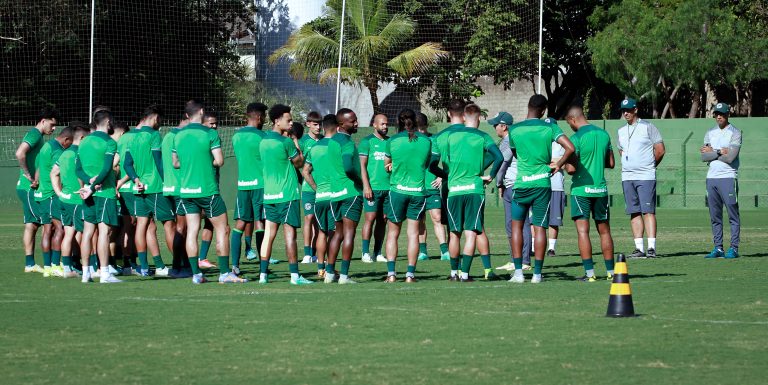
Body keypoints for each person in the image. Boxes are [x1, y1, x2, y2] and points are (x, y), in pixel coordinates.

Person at [173, 100, 244, 284]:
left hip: (187, 191)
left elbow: (176, 163)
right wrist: (205, 162)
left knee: (192, 232)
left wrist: (191, 163)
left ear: (187, 116)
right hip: (207, 190)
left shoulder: (177, 136)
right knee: (223, 229)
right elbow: (219, 161)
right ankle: (225, 273)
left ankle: (196, 275)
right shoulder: (210, 133)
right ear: (202, 112)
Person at [507, 95, 575, 284]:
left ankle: (519, 273)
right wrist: (558, 164)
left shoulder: (515, 129)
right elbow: (570, 147)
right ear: (544, 111)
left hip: (521, 184)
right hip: (542, 184)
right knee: (540, 228)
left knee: (517, 227)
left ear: (528, 107)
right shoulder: (550, 127)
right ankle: (537, 274)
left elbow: (516, 154)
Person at [432, 103, 503, 282]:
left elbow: (432, 163)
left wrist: (445, 175)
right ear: (479, 118)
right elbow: (499, 157)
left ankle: (453, 273)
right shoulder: (483, 136)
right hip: (474, 190)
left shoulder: (450, 136)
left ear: (464, 118)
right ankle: (465, 274)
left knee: (454, 233)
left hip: (453, 191)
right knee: (472, 232)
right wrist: (490, 176)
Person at [383, 109, 445, 282]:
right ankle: (410, 275)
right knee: (413, 234)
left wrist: (392, 166)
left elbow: (386, 165)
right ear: (417, 123)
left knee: (393, 234)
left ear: (398, 122)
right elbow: (425, 165)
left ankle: (391, 274)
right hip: (418, 192)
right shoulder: (426, 141)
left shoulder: (392, 141)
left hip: (397, 192)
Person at [257, 104, 313, 285]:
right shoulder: (286, 142)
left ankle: (263, 275)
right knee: (290, 236)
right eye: (288, 120)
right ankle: (295, 276)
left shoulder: (263, 141)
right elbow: (299, 163)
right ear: (277, 121)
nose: (291, 123)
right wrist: (295, 142)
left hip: (269, 195)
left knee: (268, 235)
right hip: (287, 196)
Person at [563, 106, 616, 281]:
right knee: (605, 231)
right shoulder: (604, 134)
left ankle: (590, 274)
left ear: (572, 120)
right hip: (600, 189)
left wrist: (563, 164)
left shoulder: (576, 138)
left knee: (583, 232)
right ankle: (611, 273)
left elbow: (570, 170)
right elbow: (610, 163)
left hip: (581, 191)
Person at [123, 105, 173, 277]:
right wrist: (168, 182)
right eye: (160, 120)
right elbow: (159, 163)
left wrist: (136, 180)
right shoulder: (154, 136)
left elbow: (126, 165)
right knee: (169, 225)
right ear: (155, 118)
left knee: (142, 226)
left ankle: (145, 267)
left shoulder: (132, 138)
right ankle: (180, 265)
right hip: (156, 188)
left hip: (139, 189)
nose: (161, 123)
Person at [76, 109, 122, 283]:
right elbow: (107, 168)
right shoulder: (110, 142)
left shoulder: (84, 142)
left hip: (88, 192)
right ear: (108, 122)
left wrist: (89, 183)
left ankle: (86, 273)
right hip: (104, 193)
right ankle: (104, 274)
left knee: (88, 233)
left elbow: (77, 169)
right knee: (104, 232)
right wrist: (94, 186)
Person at [617, 98, 665, 258]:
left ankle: (651, 248)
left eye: (628, 110)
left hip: (646, 176)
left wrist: (650, 165)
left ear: (635, 110)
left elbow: (660, 150)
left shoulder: (648, 127)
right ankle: (639, 248)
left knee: (648, 211)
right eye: (623, 110)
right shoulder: (621, 131)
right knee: (634, 212)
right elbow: (621, 151)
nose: (626, 113)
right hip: (627, 176)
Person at [321, 109, 364, 283]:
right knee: (349, 234)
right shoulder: (346, 142)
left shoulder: (331, 142)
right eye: (352, 121)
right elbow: (348, 166)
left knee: (337, 234)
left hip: (335, 194)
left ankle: (329, 273)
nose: (356, 123)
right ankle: (344, 276)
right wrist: (359, 181)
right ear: (341, 124)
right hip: (350, 193)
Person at [16, 107, 59, 273]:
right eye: (52, 124)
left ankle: (30, 264)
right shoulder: (34, 134)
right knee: (44, 224)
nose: (54, 128)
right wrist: (28, 175)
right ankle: (41, 264)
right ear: (43, 121)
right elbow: (20, 153)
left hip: (28, 188)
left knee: (32, 224)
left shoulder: (39, 138)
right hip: (28, 188)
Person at [490, 111, 533, 272]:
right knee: (518, 223)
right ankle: (517, 259)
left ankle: (522, 260)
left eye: (496, 125)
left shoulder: (508, 141)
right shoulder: (513, 139)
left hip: (513, 185)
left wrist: (498, 182)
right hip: (518, 184)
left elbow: (502, 163)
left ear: (504, 126)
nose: (494, 128)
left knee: (517, 224)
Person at [230, 103, 269, 273]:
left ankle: (235, 266)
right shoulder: (264, 136)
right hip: (261, 185)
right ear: (259, 117)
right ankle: (263, 266)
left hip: (243, 185)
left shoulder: (236, 136)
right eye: (265, 117)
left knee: (240, 223)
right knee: (260, 222)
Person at [302, 114, 342, 281]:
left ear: (323, 127)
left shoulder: (315, 148)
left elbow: (305, 171)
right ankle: (331, 269)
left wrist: (316, 189)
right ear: (337, 127)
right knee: (334, 233)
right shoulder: (338, 145)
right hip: (334, 197)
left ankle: (320, 269)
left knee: (321, 232)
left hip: (319, 198)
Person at [701, 103, 741, 259]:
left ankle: (734, 248)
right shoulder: (710, 132)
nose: (719, 116)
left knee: (732, 214)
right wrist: (719, 151)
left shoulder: (735, 133)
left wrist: (713, 152)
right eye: (716, 113)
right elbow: (704, 156)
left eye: (722, 114)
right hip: (712, 178)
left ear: (727, 115)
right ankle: (718, 248)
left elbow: (731, 157)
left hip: (728, 177)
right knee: (715, 215)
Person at [51, 122, 90, 278]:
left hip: (65, 199)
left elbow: (54, 173)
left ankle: (68, 268)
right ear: (81, 138)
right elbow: (81, 175)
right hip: (76, 200)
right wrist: (84, 189)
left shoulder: (64, 153)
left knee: (69, 233)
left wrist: (59, 193)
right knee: (82, 233)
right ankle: (88, 265)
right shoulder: (78, 154)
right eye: (87, 138)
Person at [35, 126, 74, 277]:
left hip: (41, 194)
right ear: (66, 140)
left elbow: (39, 166)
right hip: (51, 194)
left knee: (47, 230)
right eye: (70, 143)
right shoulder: (58, 150)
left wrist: (36, 180)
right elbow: (58, 173)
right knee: (60, 229)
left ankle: (47, 268)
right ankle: (55, 265)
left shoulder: (46, 145)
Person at [415, 112, 449, 261]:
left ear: (426, 127)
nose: (420, 132)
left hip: (432, 186)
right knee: (420, 220)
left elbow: (446, 160)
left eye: (422, 129)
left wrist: (441, 177)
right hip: (416, 188)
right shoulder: (411, 141)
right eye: (418, 129)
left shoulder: (434, 140)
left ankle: (444, 251)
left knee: (437, 217)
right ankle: (423, 251)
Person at [162, 116, 192, 277]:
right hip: (181, 188)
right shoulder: (182, 137)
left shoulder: (167, 136)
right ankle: (176, 267)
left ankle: (184, 264)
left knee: (175, 228)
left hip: (167, 187)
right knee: (182, 228)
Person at [359, 114, 390, 263]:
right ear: (375, 125)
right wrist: (366, 186)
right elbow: (362, 166)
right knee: (370, 219)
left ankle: (377, 253)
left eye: (386, 124)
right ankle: (365, 252)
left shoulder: (390, 142)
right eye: (382, 124)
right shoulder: (367, 142)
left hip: (388, 188)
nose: (385, 126)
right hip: (373, 188)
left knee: (383, 220)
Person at [298, 111, 323, 264]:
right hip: (308, 187)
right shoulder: (302, 142)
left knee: (319, 221)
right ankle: (307, 253)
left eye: (319, 124)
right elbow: (297, 164)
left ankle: (316, 252)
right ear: (308, 124)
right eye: (315, 124)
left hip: (323, 187)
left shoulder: (324, 141)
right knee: (309, 217)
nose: (318, 127)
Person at [115, 121, 139, 275]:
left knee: (125, 227)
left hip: (123, 190)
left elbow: (113, 165)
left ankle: (124, 262)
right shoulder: (131, 142)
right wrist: (121, 182)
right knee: (131, 226)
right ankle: (129, 263)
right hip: (130, 189)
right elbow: (131, 167)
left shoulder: (119, 145)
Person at [545, 117, 565, 257]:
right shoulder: (540, 141)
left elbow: (567, 163)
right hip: (540, 185)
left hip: (556, 185)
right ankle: (534, 246)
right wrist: (555, 161)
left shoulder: (561, 144)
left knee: (554, 219)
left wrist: (554, 161)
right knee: (536, 218)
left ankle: (551, 248)